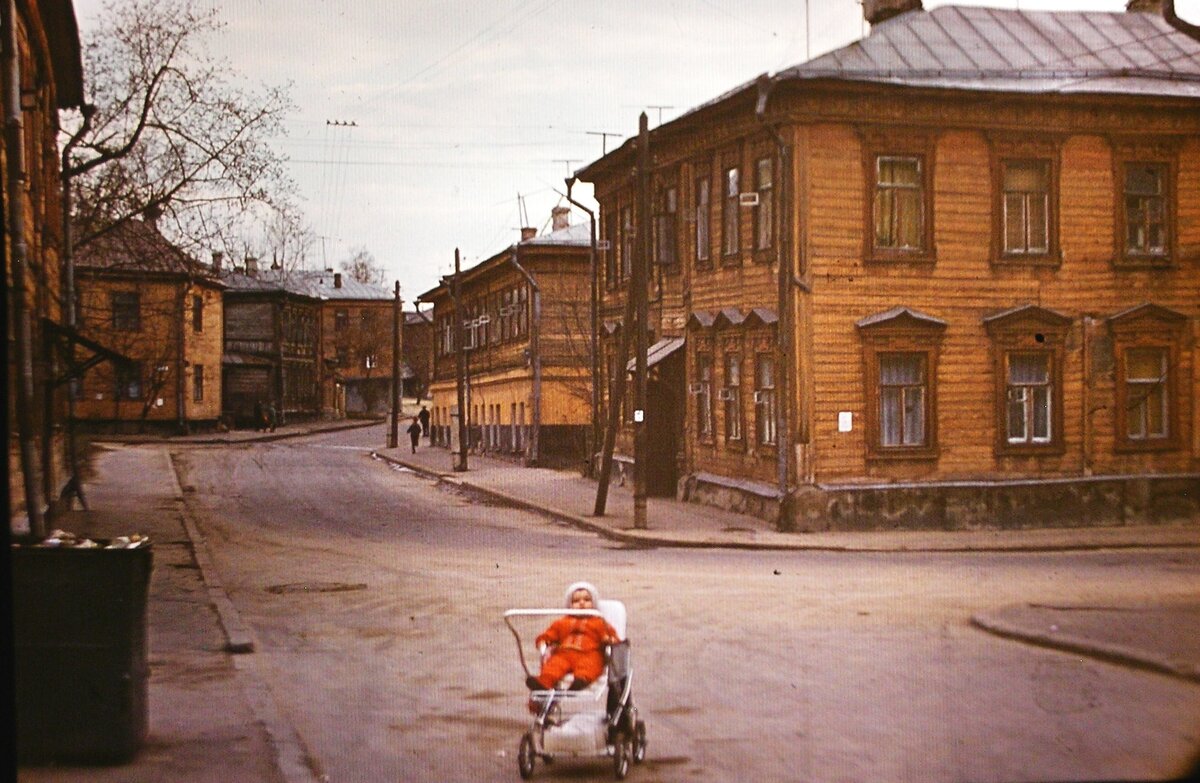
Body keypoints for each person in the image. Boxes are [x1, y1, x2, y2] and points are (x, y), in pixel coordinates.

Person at [527, 581, 620, 691]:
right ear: (569, 605)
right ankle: (543, 683)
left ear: (593, 603)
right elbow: (550, 634)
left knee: (590, 665)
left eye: (586, 600)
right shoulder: (562, 622)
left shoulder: (599, 622)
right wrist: (543, 641)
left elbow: (612, 636)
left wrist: (609, 640)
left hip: (588, 653)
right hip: (564, 653)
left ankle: (581, 680)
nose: (581, 603)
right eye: (576, 601)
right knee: (553, 666)